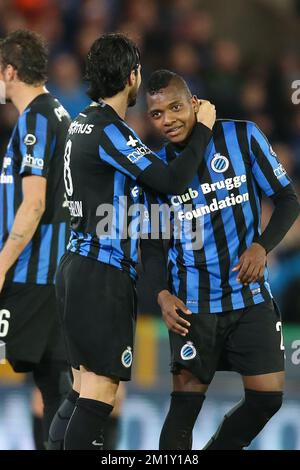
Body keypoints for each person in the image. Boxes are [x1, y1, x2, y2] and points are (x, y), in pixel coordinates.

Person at [52, 33, 216, 450]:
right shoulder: (110, 130)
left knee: (83, 387)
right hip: (101, 273)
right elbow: (170, 180)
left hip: (77, 267)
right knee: (101, 393)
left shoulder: (80, 123)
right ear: (132, 77)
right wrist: (203, 131)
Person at [141, 69, 300, 450]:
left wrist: (262, 246)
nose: (168, 120)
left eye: (175, 107)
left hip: (249, 296)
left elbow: (287, 199)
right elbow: (153, 243)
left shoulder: (242, 136)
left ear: (195, 104)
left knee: (267, 398)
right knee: (184, 408)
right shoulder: (156, 168)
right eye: (157, 114)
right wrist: (161, 294)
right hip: (194, 305)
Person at [0, 29, 71, 446]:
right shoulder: (56, 113)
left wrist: (3, 262)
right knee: (54, 382)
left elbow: (34, 203)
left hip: (32, 274)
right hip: (52, 275)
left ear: (10, 71)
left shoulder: (37, 119)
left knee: (55, 384)